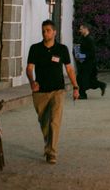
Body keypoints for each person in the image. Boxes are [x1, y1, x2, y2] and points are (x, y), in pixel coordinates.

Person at [26, 20, 80, 164]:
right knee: (44, 123)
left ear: (54, 32)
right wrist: (32, 82)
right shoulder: (35, 48)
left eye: (48, 30)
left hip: (58, 90)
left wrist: (75, 87)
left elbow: (69, 69)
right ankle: (48, 146)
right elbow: (29, 68)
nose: (45, 33)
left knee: (54, 122)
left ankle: (52, 153)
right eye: (43, 30)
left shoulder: (62, 49)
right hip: (40, 92)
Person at [75, 24, 107, 99]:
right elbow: (78, 48)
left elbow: (92, 53)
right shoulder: (82, 38)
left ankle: (83, 95)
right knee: (82, 79)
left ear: (86, 29)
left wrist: (82, 56)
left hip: (89, 64)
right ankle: (101, 85)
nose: (80, 30)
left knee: (82, 78)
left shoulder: (90, 40)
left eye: (81, 29)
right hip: (83, 63)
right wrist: (77, 54)